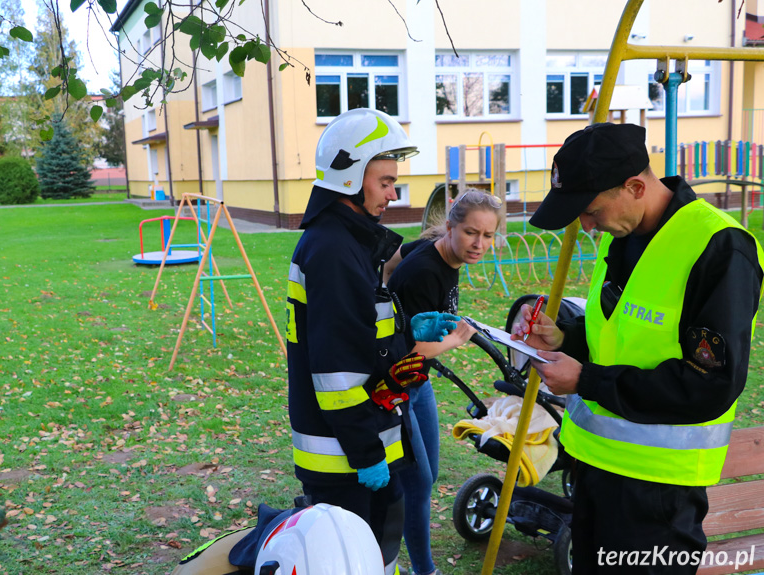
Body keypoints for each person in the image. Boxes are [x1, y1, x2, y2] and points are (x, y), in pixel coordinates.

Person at [511, 122, 764, 574]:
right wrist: (565, 339)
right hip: (595, 470)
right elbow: (619, 338)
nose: (587, 226)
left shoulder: (719, 247)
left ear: (634, 186)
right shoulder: (624, 235)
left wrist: (585, 380)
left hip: (658, 494)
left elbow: (709, 385)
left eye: (590, 210)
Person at [286, 108, 458, 575]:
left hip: (361, 443)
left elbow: (363, 336)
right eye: (384, 181)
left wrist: (407, 333)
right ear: (349, 178)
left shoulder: (348, 243)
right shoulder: (334, 252)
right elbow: (336, 370)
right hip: (347, 457)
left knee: (378, 558)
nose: (393, 192)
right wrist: (366, 453)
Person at [386, 191, 500, 575]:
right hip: (396, 387)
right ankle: (423, 569)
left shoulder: (434, 249)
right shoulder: (425, 271)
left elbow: (389, 265)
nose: (479, 244)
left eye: (487, 235)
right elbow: (410, 348)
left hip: (419, 384)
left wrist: (388, 294)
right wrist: (455, 338)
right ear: (451, 227)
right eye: (471, 233)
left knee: (427, 475)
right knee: (417, 483)